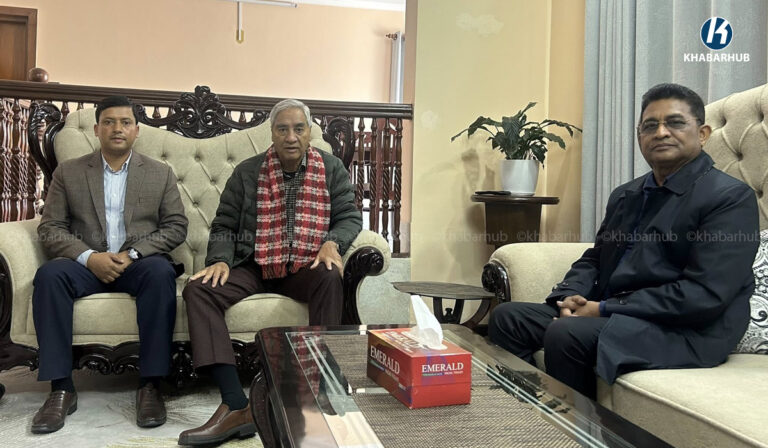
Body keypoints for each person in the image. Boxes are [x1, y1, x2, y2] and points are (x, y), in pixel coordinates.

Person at [488, 83, 759, 399]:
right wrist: (571, 295)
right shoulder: (626, 194)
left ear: (702, 134)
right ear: (639, 135)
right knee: (508, 318)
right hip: (618, 313)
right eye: (650, 126)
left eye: (675, 123)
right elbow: (595, 258)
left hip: (687, 329)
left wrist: (602, 309)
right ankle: (527, 412)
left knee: (567, 332)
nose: (661, 133)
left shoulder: (729, 198)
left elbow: (704, 294)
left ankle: (573, 425)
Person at [178, 98, 362, 446]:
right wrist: (220, 259)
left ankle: (320, 393)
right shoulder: (247, 172)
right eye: (283, 129)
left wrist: (332, 243)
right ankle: (236, 406)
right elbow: (224, 225)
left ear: (309, 132)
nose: (291, 137)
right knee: (199, 290)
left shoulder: (331, 167)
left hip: (304, 266)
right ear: (272, 134)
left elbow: (349, 216)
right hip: (255, 263)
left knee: (329, 274)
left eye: (299, 128)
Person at [32, 96, 188, 433]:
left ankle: (150, 385)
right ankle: (61, 388)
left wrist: (133, 254)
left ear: (137, 130)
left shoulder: (159, 173)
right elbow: (50, 228)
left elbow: (176, 227)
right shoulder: (69, 172)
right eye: (109, 122)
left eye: (125, 122)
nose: (118, 129)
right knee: (49, 275)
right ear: (96, 129)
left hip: (137, 264)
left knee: (160, 273)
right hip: (86, 264)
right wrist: (90, 257)